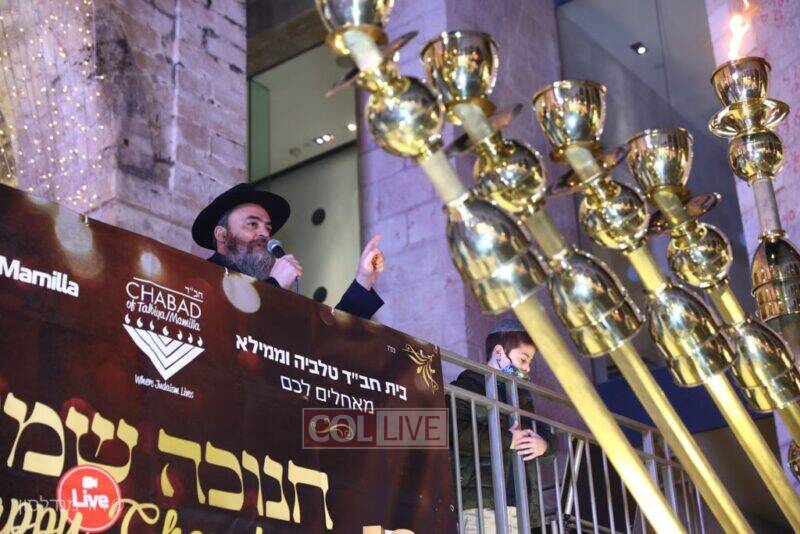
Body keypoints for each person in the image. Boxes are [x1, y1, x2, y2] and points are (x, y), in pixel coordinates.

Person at [192, 183, 385, 319]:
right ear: (222, 235)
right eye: (252, 224)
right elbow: (226, 328)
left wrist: (364, 279)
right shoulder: (201, 279)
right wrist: (274, 285)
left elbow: (326, 339)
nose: (264, 234)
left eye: (268, 227)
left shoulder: (272, 290)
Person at [450, 319, 557, 532]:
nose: (527, 369)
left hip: (520, 507)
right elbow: (455, 433)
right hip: (479, 504)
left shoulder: (521, 398)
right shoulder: (465, 388)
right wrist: (508, 440)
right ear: (499, 352)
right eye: (523, 359)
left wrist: (544, 445)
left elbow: (545, 434)